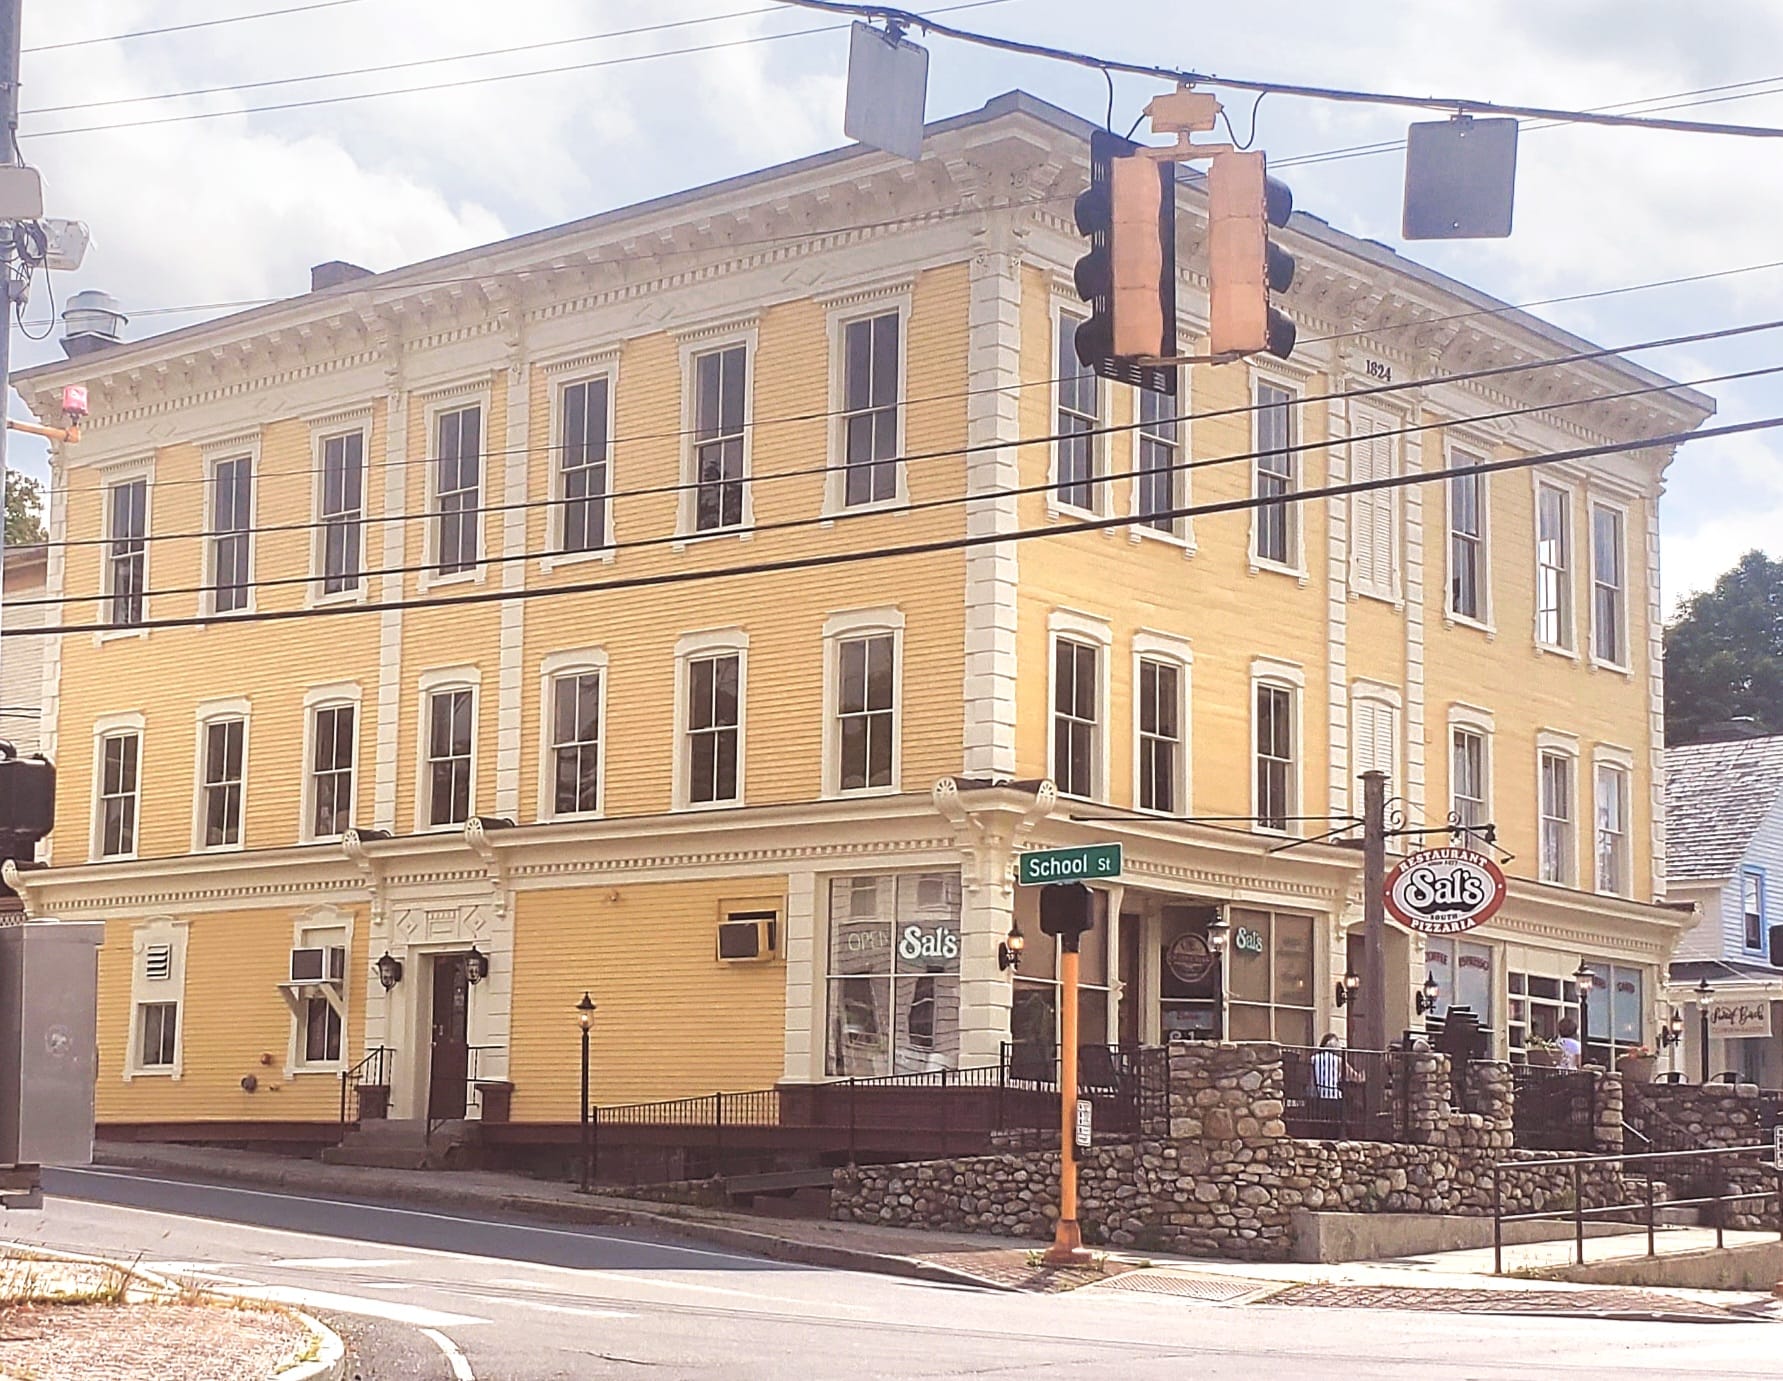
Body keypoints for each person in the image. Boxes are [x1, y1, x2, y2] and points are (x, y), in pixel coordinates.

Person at [1308, 1034, 1347, 1133]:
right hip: (1333, 1096)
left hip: (1316, 1097)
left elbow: (1310, 1078)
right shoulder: (1338, 1061)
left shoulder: (1313, 1059)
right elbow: (1353, 1076)